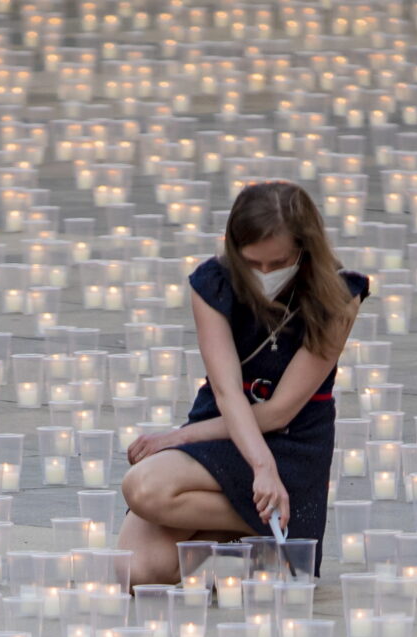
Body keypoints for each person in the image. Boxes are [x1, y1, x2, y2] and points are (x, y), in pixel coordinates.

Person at [119, 180, 370, 585]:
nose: (265, 274)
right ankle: (280, 525)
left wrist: (257, 465)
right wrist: (207, 445)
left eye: (278, 263)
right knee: (137, 573)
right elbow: (226, 392)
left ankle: (286, 513)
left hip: (290, 441)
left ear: (306, 250)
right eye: (253, 264)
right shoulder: (214, 283)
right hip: (223, 424)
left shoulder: (339, 296)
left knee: (146, 489)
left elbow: (279, 411)